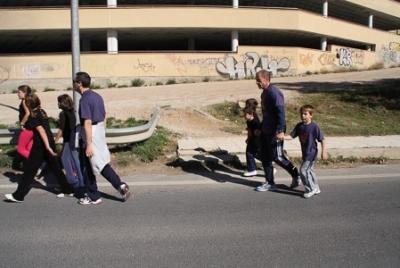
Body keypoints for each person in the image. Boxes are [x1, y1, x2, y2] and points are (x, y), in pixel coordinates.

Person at [73, 71, 130, 205]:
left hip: (90, 133)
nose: (74, 84)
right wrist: (100, 134)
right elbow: (104, 117)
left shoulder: (84, 99)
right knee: (101, 164)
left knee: (88, 167)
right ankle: (120, 186)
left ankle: (93, 196)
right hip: (98, 131)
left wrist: (88, 144)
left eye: (74, 81)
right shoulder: (97, 96)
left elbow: (87, 122)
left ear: (79, 83)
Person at [5, 93, 74, 202]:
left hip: (41, 145)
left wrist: (47, 147)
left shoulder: (33, 115)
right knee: (55, 168)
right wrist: (50, 145)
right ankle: (67, 190)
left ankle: (18, 196)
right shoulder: (42, 112)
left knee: (29, 171)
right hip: (49, 142)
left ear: (28, 104)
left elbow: (41, 131)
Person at [255, 70, 300, 192]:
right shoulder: (264, 94)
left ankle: (295, 173)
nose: (257, 83)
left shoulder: (275, 93)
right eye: (256, 80)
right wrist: (260, 128)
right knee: (265, 157)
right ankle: (270, 182)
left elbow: (281, 114)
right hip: (266, 130)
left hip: (275, 130)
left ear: (266, 79)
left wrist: (280, 130)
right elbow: (266, 114)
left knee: (277, 157)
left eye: (258, 80)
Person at [284, 104, 328, 198]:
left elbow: (322, 140)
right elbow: (291, 136)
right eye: (301, 114)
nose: (303, 116)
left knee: (303, 170)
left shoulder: (314, 127)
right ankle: (316, 187)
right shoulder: (300, 126)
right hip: (305, 152)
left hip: (311, 153)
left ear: (311, 115)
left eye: (305, 114)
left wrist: (324, 152)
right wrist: (282, 137)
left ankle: (310, 189)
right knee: (310, 170)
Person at [54, 94, 85, 191]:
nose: (58, 104)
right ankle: (74, 179)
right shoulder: (72, 113)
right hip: (73, 138)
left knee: (71, 159)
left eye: (59, 102)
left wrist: (55, 141)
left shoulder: (63, 114)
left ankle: (76, 181)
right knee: (70, 159)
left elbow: (61, 129)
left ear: (62, 103)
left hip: (68, 140)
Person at [16, 85, 46, 176]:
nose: (18, 94)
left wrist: (22, 123)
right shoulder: (29, 100)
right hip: (32, 127)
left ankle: (38, 163)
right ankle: (37, 165)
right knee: (29, 149)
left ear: (24, 93)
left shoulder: (24, 101)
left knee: (20, 149)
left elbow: (27, 114)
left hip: (27, 128)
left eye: (19, 92)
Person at [243, 98, 277, 177]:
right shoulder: (249, 120)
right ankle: (255, 167)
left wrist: (257, 140)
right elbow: (250, 130)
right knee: (252, 154)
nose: (244, 116)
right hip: (252, 140)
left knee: (252, 153)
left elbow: (259, 131)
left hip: (256, 141)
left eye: (247, 105)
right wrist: (249, 137)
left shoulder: (255, 121)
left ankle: (253, 169)